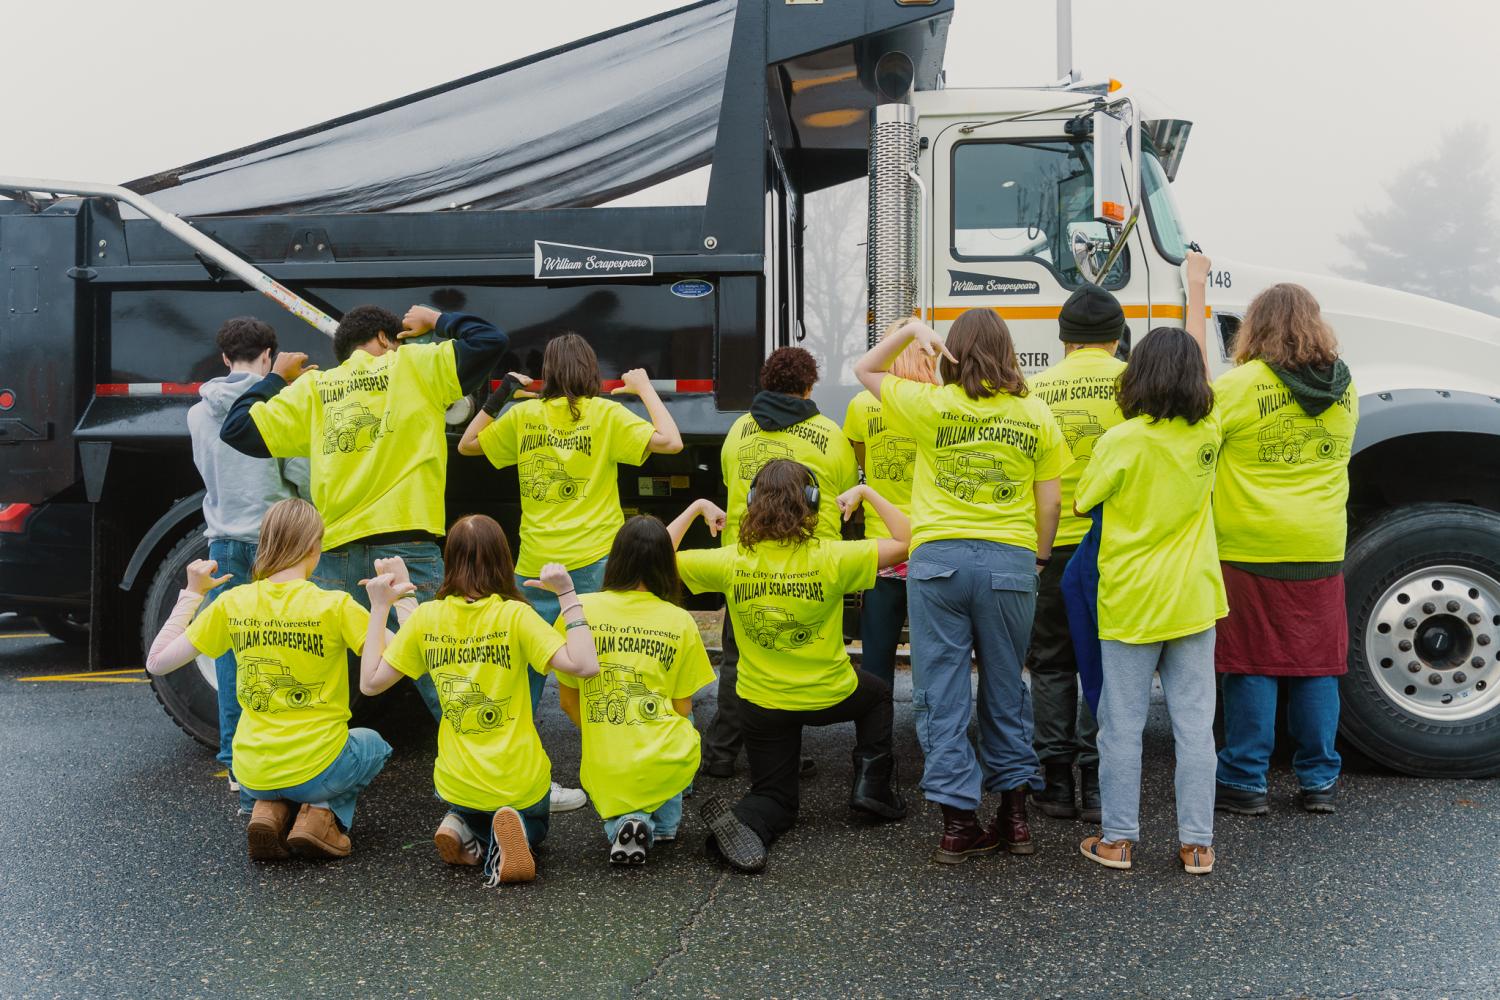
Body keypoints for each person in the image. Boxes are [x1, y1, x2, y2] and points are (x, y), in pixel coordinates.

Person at [218, 303, 508, 724]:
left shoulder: (315, 389)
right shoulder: (414, 365)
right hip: (405, 552)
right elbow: (491, 342)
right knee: (447, 674)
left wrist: (276, 378)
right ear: (387, 339)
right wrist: (435, 320)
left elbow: (238, 429)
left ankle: (296, 777)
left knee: (314, 679)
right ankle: (492, 779)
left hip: (333, 558)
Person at [854, 310, 1069, 865]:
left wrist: (908, 333)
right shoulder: (1036, 413)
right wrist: (1039, 557)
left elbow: (864, 370)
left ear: (954, 353)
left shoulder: (932, 406)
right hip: (1010, 563)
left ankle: (957, 825)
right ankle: (1015, 817)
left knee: (941, 692)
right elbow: (1050, 502)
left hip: (938, 564)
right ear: (1007, 350)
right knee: (1006, 688)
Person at [457, 335, 682, 812]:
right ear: (590, 371)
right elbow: (671, 440)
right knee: (610, 672)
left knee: (519, 681)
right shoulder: (604, 415)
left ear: (548, 373)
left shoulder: (521, 417)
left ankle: (512, 784)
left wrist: (501, 394)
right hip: (600, 564)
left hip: (537, 566)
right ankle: (623, 768)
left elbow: (468, 445)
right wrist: (643, 389)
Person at [668, 460, 910, 873]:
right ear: (812, 505)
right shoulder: (835, 557)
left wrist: (696, 509)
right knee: (878, 694)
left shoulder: (731, 561)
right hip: (830, 695)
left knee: (775, 797)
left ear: (750, 505)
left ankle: (748, 821)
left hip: (762, 706)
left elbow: (651, 557)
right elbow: (909, 539)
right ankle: (872, 787)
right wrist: (866, 493)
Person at [357, 515, 603, 885]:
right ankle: (507, 832)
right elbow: (585, 665)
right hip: (518, 780)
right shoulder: (515, 615)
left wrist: (382, 605)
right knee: (536, 826)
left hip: (459, 782)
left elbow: (371, 683)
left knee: (469, 800)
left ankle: (465, 824)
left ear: (450, 562)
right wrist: (567, 593)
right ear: (504, 560)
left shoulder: (428, 618)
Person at [144, 499, 390, 861]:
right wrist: (387, 604)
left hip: (251, 771)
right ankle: (322, 815)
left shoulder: (232, 603)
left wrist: (192, 594)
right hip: (316, 766)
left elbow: (157, 662)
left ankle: (268, 810)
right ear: (313, 547)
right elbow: (396, 656)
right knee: (373, 744)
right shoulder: (335, 605)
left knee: (273, 775)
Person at [1074, 313, 1226, 876]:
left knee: (1121, 726)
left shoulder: (1120, 440)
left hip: (1131, 601)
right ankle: (1197, 845)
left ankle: (1118, 841)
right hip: (1193, 600)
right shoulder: (1208, 436)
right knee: (1194, 725)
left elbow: (1084, 501)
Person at [1208, 257, 1358, 816]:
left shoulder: (1242, 385)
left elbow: (1199, 441)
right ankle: (1319, 781)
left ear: (1256, 327)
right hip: (1320, 545)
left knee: (1251, 662)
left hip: (1250, 546)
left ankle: (1245, 781)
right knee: (1319, 665)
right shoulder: (1346, 388)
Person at [704, 347, 858, 780]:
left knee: (739, 659)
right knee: (798, 658)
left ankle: (720, 754)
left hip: (746, 561)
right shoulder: (829, 433)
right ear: (809, 386)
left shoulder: (738, 431)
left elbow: (730, 482)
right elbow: (845, 496)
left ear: (767, 383)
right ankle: (779, 754)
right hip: (812, 566)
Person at [187, 316, 309, 793]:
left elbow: (203, 467)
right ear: (269, 356)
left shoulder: (197, 412)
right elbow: (300, 473)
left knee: (232, 653)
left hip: (222, 538)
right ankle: (287, 754)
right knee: (292, 646)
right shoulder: (278, 400)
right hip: (276, 540)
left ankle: (236, 759)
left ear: (223, 358)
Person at [554, 516, 716, 866]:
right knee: (683, 732)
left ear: (616, 559)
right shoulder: (679, 621)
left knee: (621, 784)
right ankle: (657, 825)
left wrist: (607, 733)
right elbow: (683, 708)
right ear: (666, 565)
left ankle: (627, 825)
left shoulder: (579, 613)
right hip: (659, 757)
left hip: (605, 760)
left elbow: (568, 701)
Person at [1024, 286, 1128, 823]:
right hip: (1115, 544)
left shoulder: (1035, 389)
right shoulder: (1134, 383)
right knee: (1107, 662)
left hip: (1051, 543)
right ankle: (1098, 776)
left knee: (1050, 663)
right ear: (1116, 338)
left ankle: (1055, 784)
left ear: (1063, 339)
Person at [842, 322, 938, 690]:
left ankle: (873, 746)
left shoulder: (862, 404)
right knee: (935, 655)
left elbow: (862, 461)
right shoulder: (938, 399)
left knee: (876, 660)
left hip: (883, 547)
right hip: (931, 542)